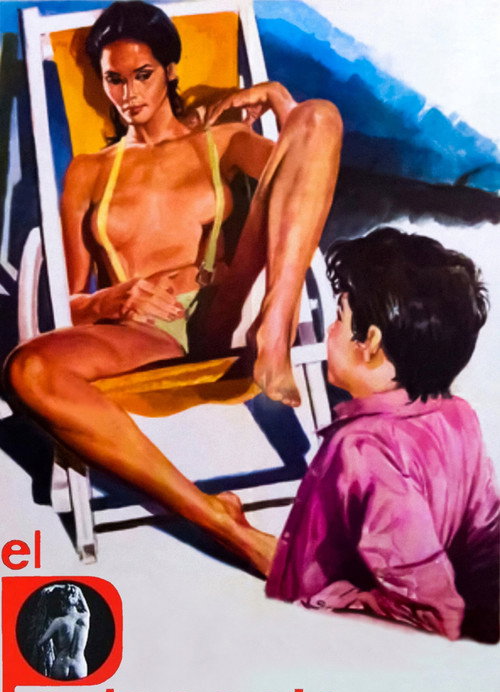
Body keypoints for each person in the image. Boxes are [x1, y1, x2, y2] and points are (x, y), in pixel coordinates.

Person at [5, 1, 341, 572]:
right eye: (114, 79)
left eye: (143, 75)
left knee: (319, 116)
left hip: (227, 307)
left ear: (170, 71)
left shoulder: (223, 141)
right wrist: (112, 298)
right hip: (144, 333)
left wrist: (279, 100)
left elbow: (308, 174)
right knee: (26, 369)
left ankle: (275, 330)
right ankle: (220, 521)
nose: (129, 93)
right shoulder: (88, 171)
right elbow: (69, 300)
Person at [264, 227, 499, 642]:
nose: (329, 332)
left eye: (339, 318)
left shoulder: (361, 446)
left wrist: (328, 602)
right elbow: (486, 535)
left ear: (370, 341)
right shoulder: (457, 415)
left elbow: (429, 609)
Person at [34, 584, 90, 679]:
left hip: (61, 664)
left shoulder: (59, 622)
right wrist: (61, 587)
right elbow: (78, 590)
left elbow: (40, 643)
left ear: (62, 603)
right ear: (77, 601)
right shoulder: (85, 617)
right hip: (79, 666)